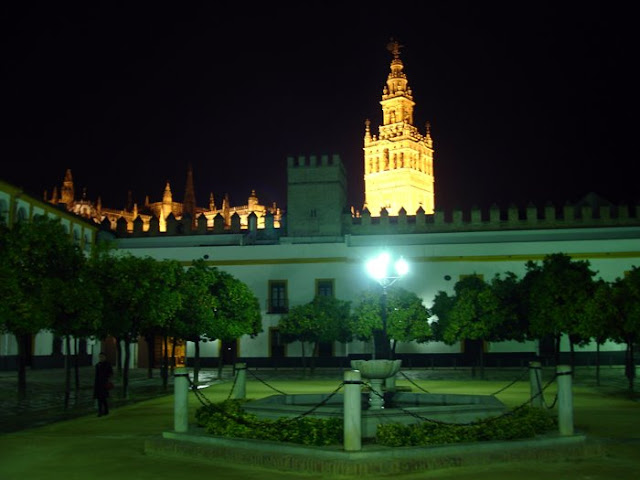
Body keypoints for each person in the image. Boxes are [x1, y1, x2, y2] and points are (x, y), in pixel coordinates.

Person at [94, 352, 114, 417]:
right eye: (100, 357)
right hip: (98, 383)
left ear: (105, 357)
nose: (101, 358)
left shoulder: (107, 364)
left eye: (102, 357)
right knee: (100, 398)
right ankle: (101, 411)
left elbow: (111, 373)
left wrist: (109, 380)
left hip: (104, 383)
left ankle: (104, 411)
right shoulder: (97, 365)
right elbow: (96, 375)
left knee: (103, 398)